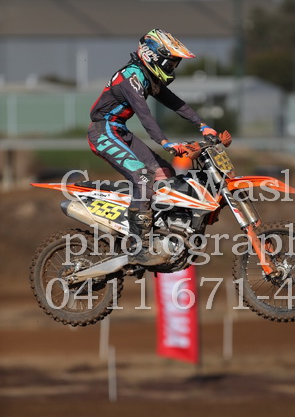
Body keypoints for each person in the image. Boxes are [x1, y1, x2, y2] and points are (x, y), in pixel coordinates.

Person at [88, 29, 230, 265]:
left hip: (119, 130)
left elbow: (175, 102)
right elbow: (144, 114)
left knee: (165, 173)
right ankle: (137, 245)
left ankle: (160, 232)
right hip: (103, 131)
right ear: (153, 56)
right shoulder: (131, 77)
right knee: (143, 176)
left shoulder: (148, 77)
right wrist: (165, 142)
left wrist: (203, 125)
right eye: (170, 62)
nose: (173, 67)